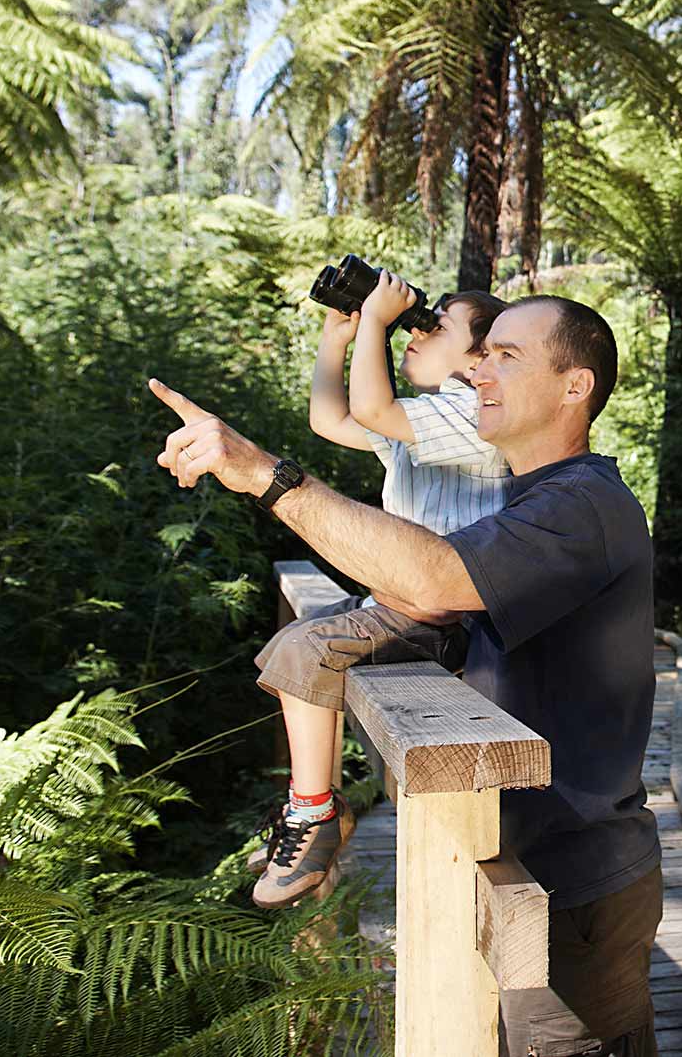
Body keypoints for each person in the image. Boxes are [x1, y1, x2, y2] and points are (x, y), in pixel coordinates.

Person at [149, 293, 662, 1057]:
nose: (481, 369)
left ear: (574, 387)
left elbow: (433, 577)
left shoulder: (582, 504)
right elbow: (426, 582)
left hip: (574, 885)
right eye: (482, 354)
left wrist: (266, 474)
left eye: (507, 356)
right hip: (517, 856)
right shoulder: (531, 498)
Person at [247, 272, 511, 907]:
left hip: (443, 615)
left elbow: (369, 407)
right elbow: (330, 417)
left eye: (436, 326)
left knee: (304, 652)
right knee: (294, 643)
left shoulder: (471, 414)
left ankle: (314, 815)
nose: (414, 333)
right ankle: (310, 806)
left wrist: (375, 321)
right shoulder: (426, 422)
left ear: (479, 359)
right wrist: (337, 338)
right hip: (401, 600)